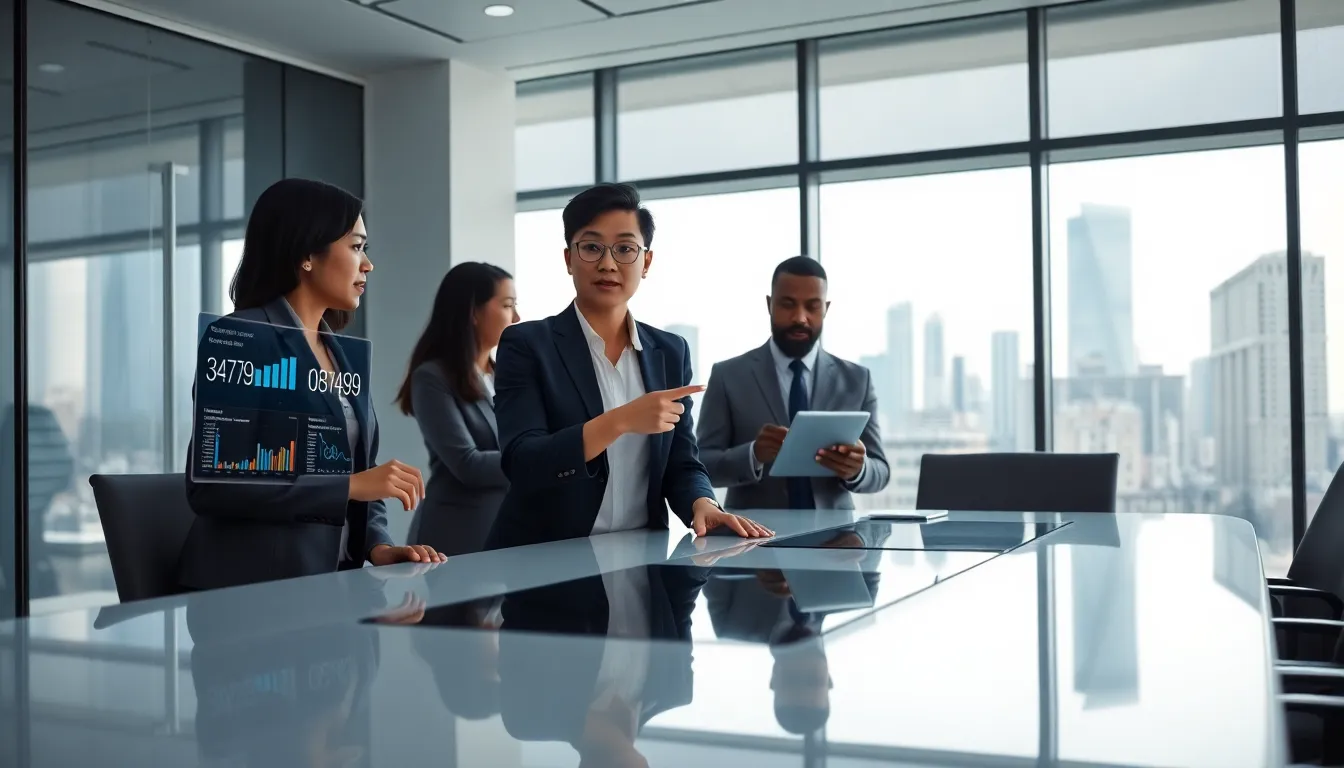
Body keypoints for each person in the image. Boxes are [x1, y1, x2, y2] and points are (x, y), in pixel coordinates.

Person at [179, 178, 444, 592]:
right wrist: (351, 487)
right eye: (356, 247)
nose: (368, 264)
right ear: (307, 254)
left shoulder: (339, 352)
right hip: (253, 598)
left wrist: (377, 545)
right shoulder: (239, 338)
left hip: (332, 592)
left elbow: (358, 472)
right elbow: (215, 486)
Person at [486, 183, 772, 550]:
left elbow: (683, 462)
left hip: (641, 560)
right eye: (591, 248)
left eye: (625, 249)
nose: (608, 263)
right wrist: (619, 421)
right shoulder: (527, 345)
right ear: (568, 259)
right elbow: (522, 462)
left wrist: (703, 503)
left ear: (646, 262)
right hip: (546, 561)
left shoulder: (670, 352)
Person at [697, 256, 890, 510]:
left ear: (826, 308)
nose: (800, 318)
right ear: (769, 305)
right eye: (788, 305)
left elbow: (881, 471)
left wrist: (858, 469)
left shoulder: (857, 380)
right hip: (753, 538)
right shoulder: (728, 376)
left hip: (837, 541)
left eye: (812, 306)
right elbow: (700, 464)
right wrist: (753, 454)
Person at [396, 262, 519, 556]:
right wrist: (538, 460)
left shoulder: (507, 377)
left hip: (504, 534)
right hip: (453, 537)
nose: (517, 317)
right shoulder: (432, 377)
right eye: (507, 305)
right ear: (473, 312)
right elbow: (467, 464)